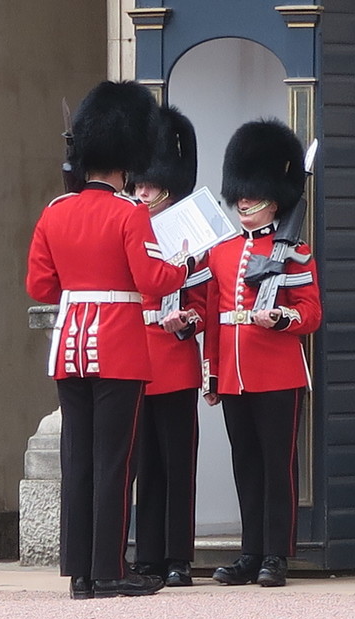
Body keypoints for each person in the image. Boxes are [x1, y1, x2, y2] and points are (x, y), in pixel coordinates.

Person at [26, 82, 192, 600]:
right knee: (115, 461)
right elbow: (153, 282)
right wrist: (182, 264)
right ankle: (109, 570)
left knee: (79, 458)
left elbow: (40, 285)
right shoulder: (129, 213)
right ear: (127, 161)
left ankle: (79, 573)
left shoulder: (56, 211)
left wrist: (80, 282)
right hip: (118, 343)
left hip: (69, 343)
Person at [202, 119, 321, 588]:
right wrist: (211, 375)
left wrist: (282, 320)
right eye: (241, 193)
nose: (244, 201)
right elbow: (214, 318)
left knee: (277, 467)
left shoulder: (294, 251)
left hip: (277, 372)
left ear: (275, 196)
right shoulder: (223, 252)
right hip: (233, 375)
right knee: (245, 466)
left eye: (253, 193)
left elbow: (310, 313)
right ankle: (250, 552)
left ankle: (277, 554)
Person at [127, 105, 209, 587]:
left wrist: (186, 320)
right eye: (138, 185)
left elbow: (201, 297)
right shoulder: (128, 227)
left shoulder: (189, 234)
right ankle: (149, 553)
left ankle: (178, 556)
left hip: (175, 360)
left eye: (149, 187)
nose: (141, 193)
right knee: (145, 468)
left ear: (167, 186)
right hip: (138, 359)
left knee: (178, 467)